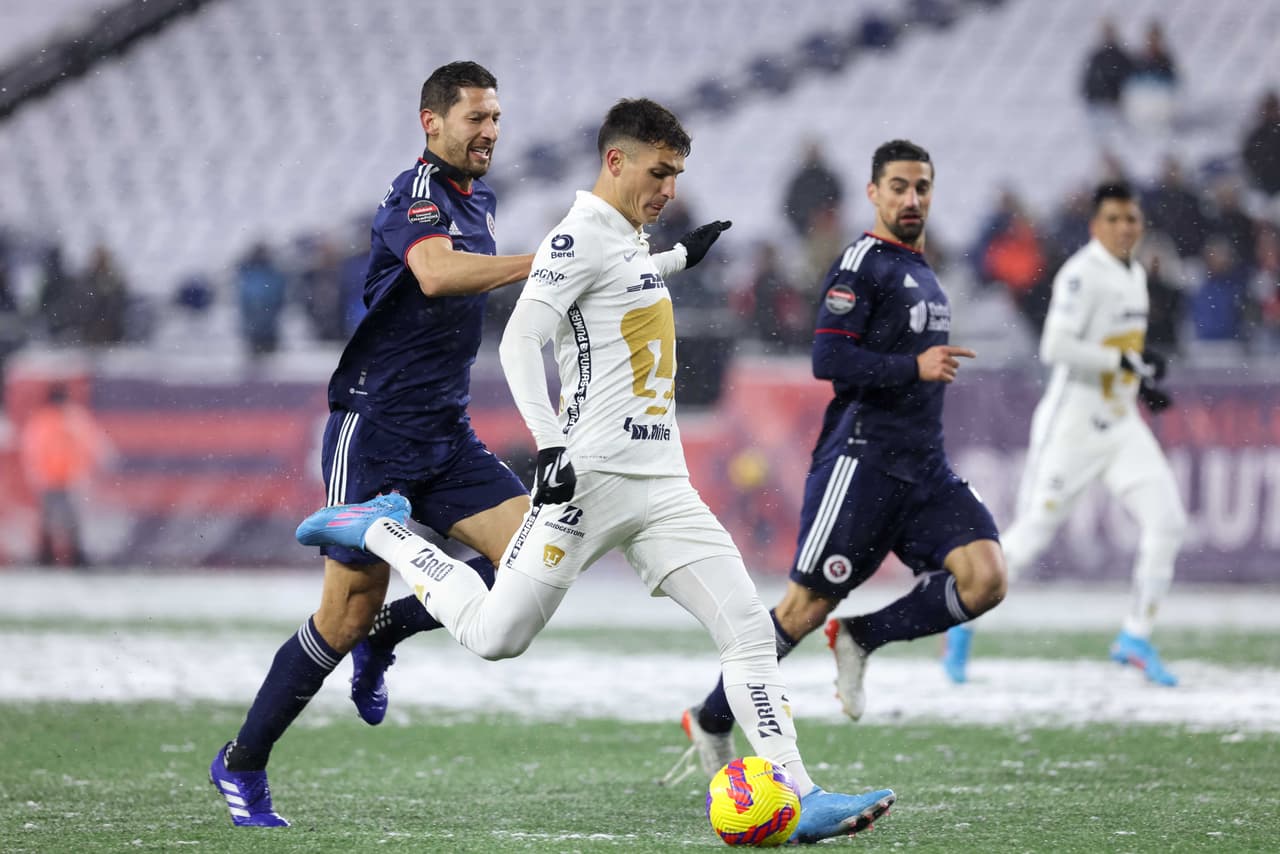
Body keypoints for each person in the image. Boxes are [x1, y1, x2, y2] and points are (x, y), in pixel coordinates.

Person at [297, 98, 897, 844]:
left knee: (747, 630)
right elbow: (521, 343)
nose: (670, 188)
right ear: (616, 162)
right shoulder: (577, 235)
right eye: (659, 171)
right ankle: (382, 532)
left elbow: (623, 276)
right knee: (495, 636)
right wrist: (548, 446)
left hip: (662, 482)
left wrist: (680, 260)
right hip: (590, 479)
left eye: (676, 173)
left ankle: (802, 796)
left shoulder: (622, 238)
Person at [208, 61, 538, 828]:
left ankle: (392, 632)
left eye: (496, 118)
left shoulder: (476, 195)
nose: (489, 131)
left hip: (445, 432)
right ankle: (242, 762)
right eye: (475, 118)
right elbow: (433, 273)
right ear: (431, 122)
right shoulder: (414, 194)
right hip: (376, 429)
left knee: (533, 557)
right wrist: (543, 262)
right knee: (341, 618)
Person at [668, 139, 1007, 779]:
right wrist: (914, 365)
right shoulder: (861, 264)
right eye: (900, 186)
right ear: (874, 192)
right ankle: (712, 716)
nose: (912, 198)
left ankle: (863, 636)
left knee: (986, 577)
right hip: (864, 463)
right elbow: (829, 361)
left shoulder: (924, 267)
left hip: (924, 466)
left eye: (922, 187)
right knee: (801, 609)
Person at [942, 182, 1186, 687]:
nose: (1125, 228)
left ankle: (1135, 637)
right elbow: (1055, 346)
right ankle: (962, 614)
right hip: (1073, 424)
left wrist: (1139, 384)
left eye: (1131, 219)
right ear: (1096, 226)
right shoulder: (1081, 275)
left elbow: (1119, 350)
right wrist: (1123, 361)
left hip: (1119, 423)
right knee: (1031, 537)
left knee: (1167, 521)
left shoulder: (1135, 273)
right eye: (1114, 219)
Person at [20, 382, 112, 567]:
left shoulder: (72, 419)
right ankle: (46, 555)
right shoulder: (47, 420)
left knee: (71, 518)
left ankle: (71, 555)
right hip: (51, 479)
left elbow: (93, 443)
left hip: (70, 478)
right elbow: (33, 449)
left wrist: (99, 462)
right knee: (51, 519)